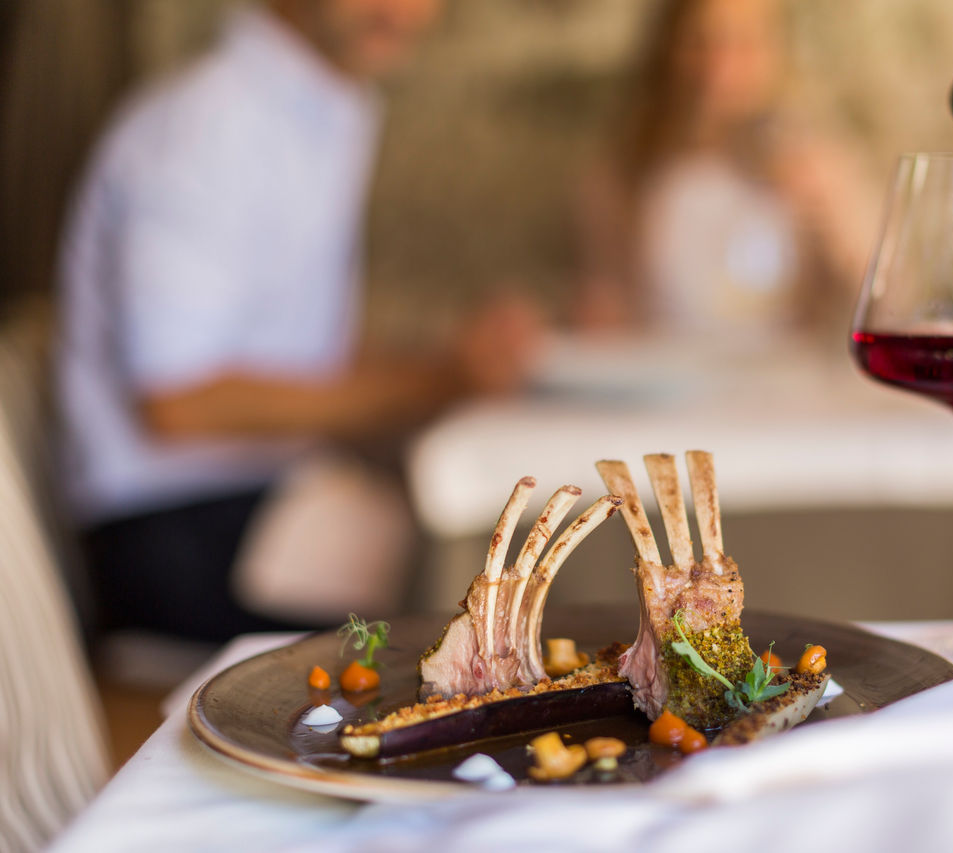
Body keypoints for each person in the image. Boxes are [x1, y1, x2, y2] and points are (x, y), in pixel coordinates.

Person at [57, 0, 542, 642]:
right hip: (175, 533)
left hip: (249, 501)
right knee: (461, 604)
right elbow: (178, 402)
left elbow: (302, 350)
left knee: (476, 568)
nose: (406, 10)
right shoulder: (207, 126)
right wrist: (439, 378)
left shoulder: (318, 107)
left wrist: (451, 362)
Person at [575, 0, 872, 340]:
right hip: (664, 376)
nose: (719, 64)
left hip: (784, 380)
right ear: (667, 50)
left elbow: (886, 299)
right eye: (699, 42)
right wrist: (598, 317)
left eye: (743, 44)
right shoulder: (625, 174)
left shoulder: (815, 163)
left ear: (777, 52)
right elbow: (609, 302)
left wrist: (834, 218)